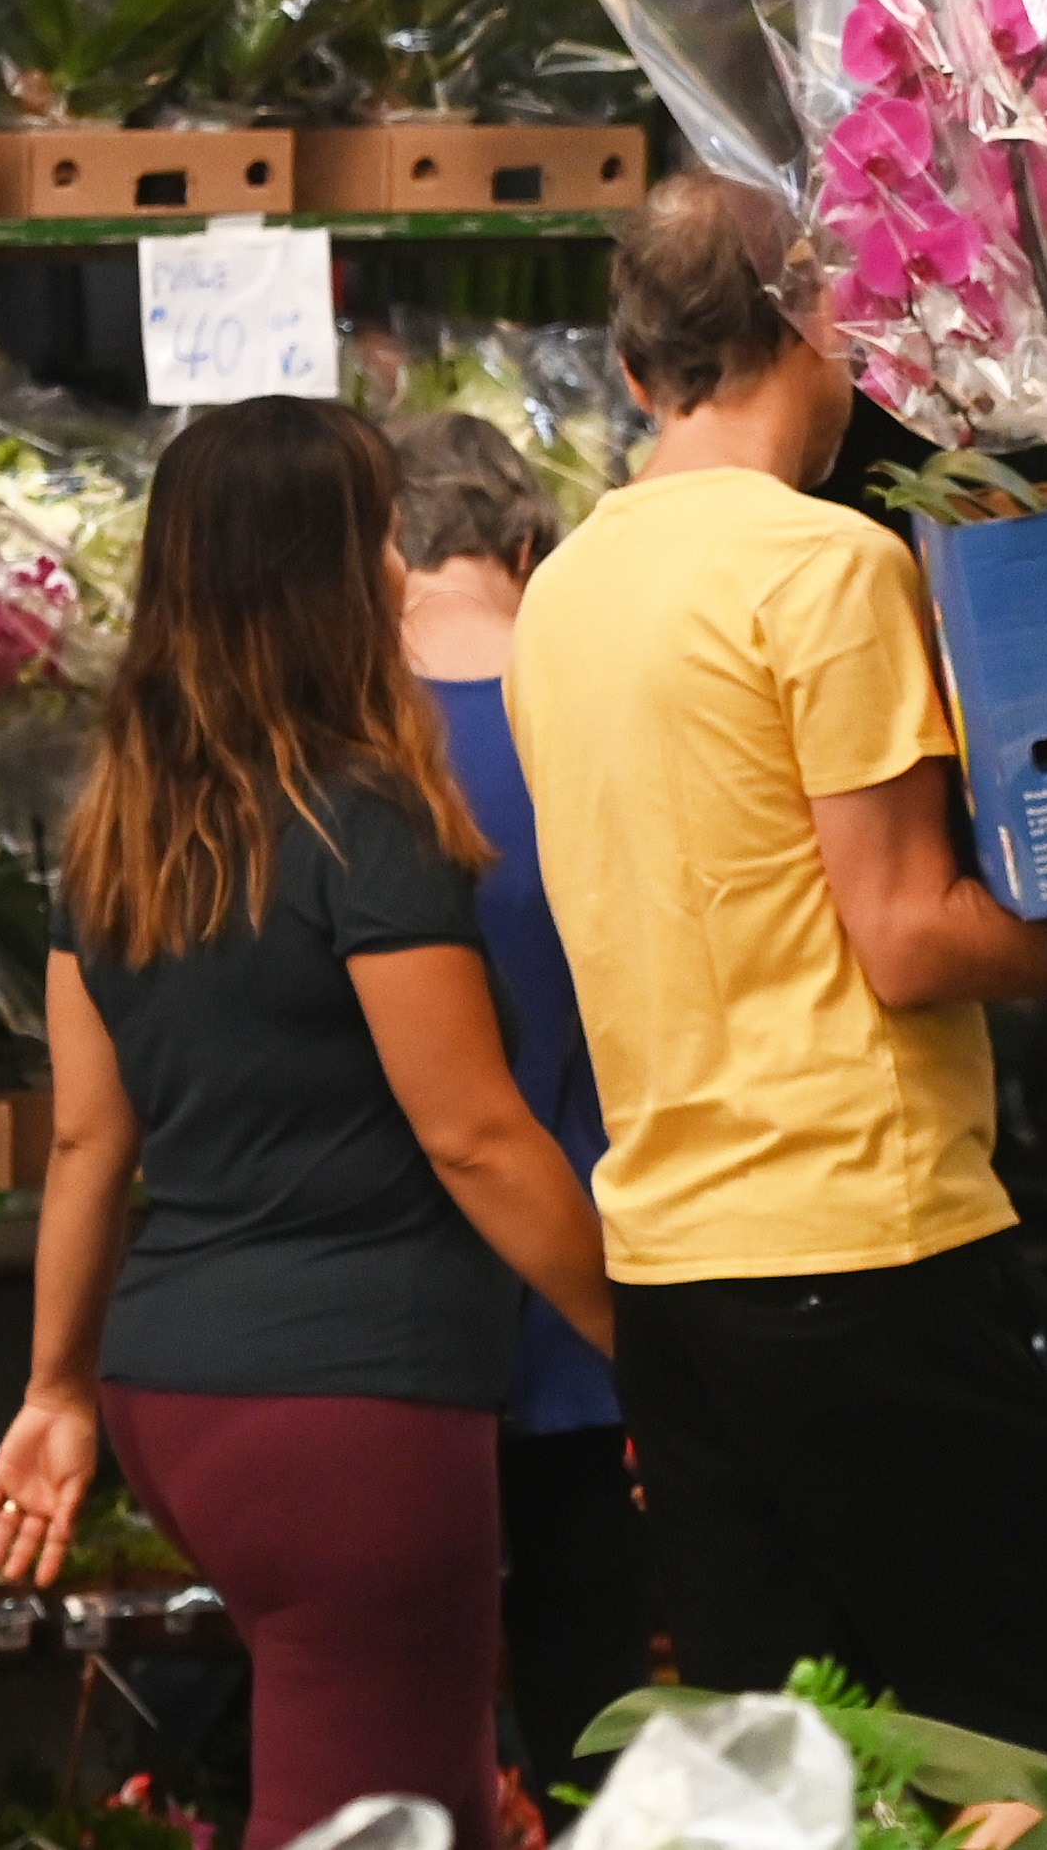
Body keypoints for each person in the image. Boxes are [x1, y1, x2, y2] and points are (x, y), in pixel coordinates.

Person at [503, 177, 1047, 1766]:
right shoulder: (820, 568)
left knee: (800, 1779)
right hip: (870, 1242)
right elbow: (905, 930)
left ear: (632, 371)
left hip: (675, 1270)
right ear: (817, 322)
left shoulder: (563, 590)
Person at [0, 397, 614, 1850]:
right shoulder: (366, 817)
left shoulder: (119, 820)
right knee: (376, 1819)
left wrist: (59, 1390)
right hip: (356, 1412)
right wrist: (650, 1341)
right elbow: (473, 1133)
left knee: (424, 1802)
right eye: (381, 534)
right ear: (328, 573)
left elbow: (86, 1141)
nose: (402, 566)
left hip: (177, 1394)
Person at [388, 413, 657, 1821]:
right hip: (602, 1284)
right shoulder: (601, 712)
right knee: (594, 1710)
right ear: (526, 549)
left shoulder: (355, 752)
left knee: (399, 1729)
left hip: (398, 1316)